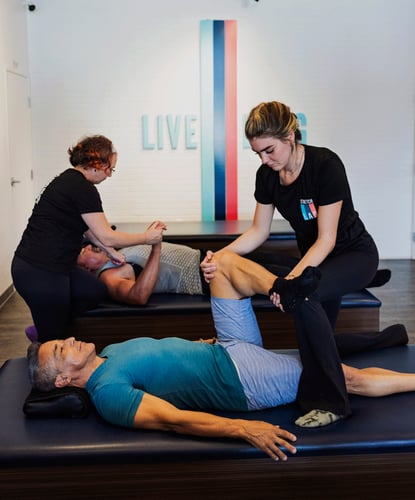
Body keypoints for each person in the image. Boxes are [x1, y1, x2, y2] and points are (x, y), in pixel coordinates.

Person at [27, 251, 411, 461]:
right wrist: (244, 429)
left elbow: (165, 356)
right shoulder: (108, 393)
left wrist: (202, 344)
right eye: (61, 348)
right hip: (239, 380)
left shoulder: (109, 353)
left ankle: (286, 289)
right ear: (63, 379)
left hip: (225, 347)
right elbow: (174, 421)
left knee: (222, 264)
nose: (71, 339)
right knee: (341, 375)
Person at [201, 101, 390, 426]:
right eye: (258, 153)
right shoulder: (268, 175)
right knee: (320, 335)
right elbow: (258, 231)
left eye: (269, 150)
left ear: (289, 136)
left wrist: (292, 281)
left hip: (352, 255)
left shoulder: (325, 165)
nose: (265, 160)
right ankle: (390, 337)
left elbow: (327, 239)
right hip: (314, 261)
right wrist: (220, 256)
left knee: (304, 294)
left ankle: (332, 404)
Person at [11, 135, 167, 343]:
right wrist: (147, 237)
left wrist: (110, 252)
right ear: (96, 163)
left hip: (53, 266)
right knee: (53, 340)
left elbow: (89, 230)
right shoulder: (82, 188)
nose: (109, 175)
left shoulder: (70, 180)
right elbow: (107, 235)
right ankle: (45, 334)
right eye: (110, 169)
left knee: (94, 290)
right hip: (40, 270)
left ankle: (48, 321)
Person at [77, 241, 209, 305]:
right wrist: (156, 248)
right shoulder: (108, 276)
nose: (87, 247)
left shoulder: (114, 256)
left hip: (204, 259)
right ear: (87, 269)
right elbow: (138, 297)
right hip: (200, 275)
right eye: (83, 252)